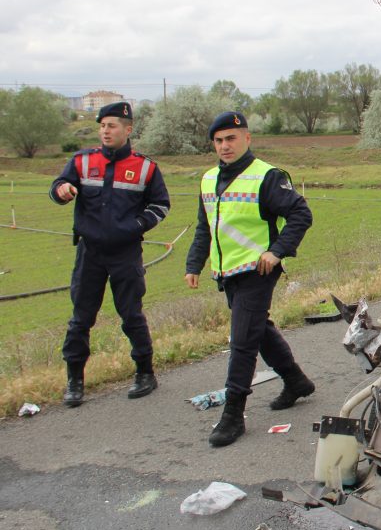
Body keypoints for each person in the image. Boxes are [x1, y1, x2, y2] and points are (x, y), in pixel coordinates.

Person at [184, 111, 314, 447]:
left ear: (247, 138)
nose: (224, 146)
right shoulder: (208, 179)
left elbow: (301, 214)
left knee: (242, 341)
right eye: (218, 140)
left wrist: (277, 251)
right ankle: (296, 381)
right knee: (258, 330)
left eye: (231, 138)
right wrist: (193, 264)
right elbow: (205, 226)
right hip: (227, 273)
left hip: (258, 271)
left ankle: (233, 416)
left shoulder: (266, 176)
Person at [50, 101, 170, 407]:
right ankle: (75, 381)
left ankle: (145, 372)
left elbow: (161, 206)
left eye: (112, 125)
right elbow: (59, 186)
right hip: (90, 254)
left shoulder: (146, 168)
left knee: (131, 315)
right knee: (80, 319)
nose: (105, 130)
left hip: (125, 254)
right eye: (102, 125)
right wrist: (62, 190)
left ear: (128, 130)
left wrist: (134, 226)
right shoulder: (81, 161)